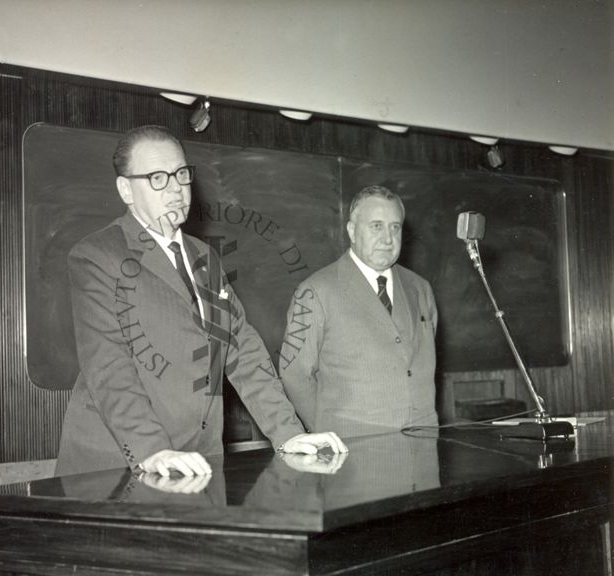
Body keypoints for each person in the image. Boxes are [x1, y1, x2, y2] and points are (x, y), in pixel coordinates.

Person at [55, 125, 346, 477]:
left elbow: (244, 352)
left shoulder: (205, 257)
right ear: (125, 190)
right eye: (157, 178)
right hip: (118, 467)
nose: (176, 189)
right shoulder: (97, 256)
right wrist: (154, 452)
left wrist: (289, 434)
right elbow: (109, 366)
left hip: (200, 461)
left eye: (181, 174)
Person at [279, 185, 438, 437]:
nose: (388, 239)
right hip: (354, 452)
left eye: (394, 227)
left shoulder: (420, 289)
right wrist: (325, 432)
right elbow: (295, 375)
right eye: (376, 226)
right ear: (352, 231)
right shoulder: (315, 291)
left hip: (424, 449)